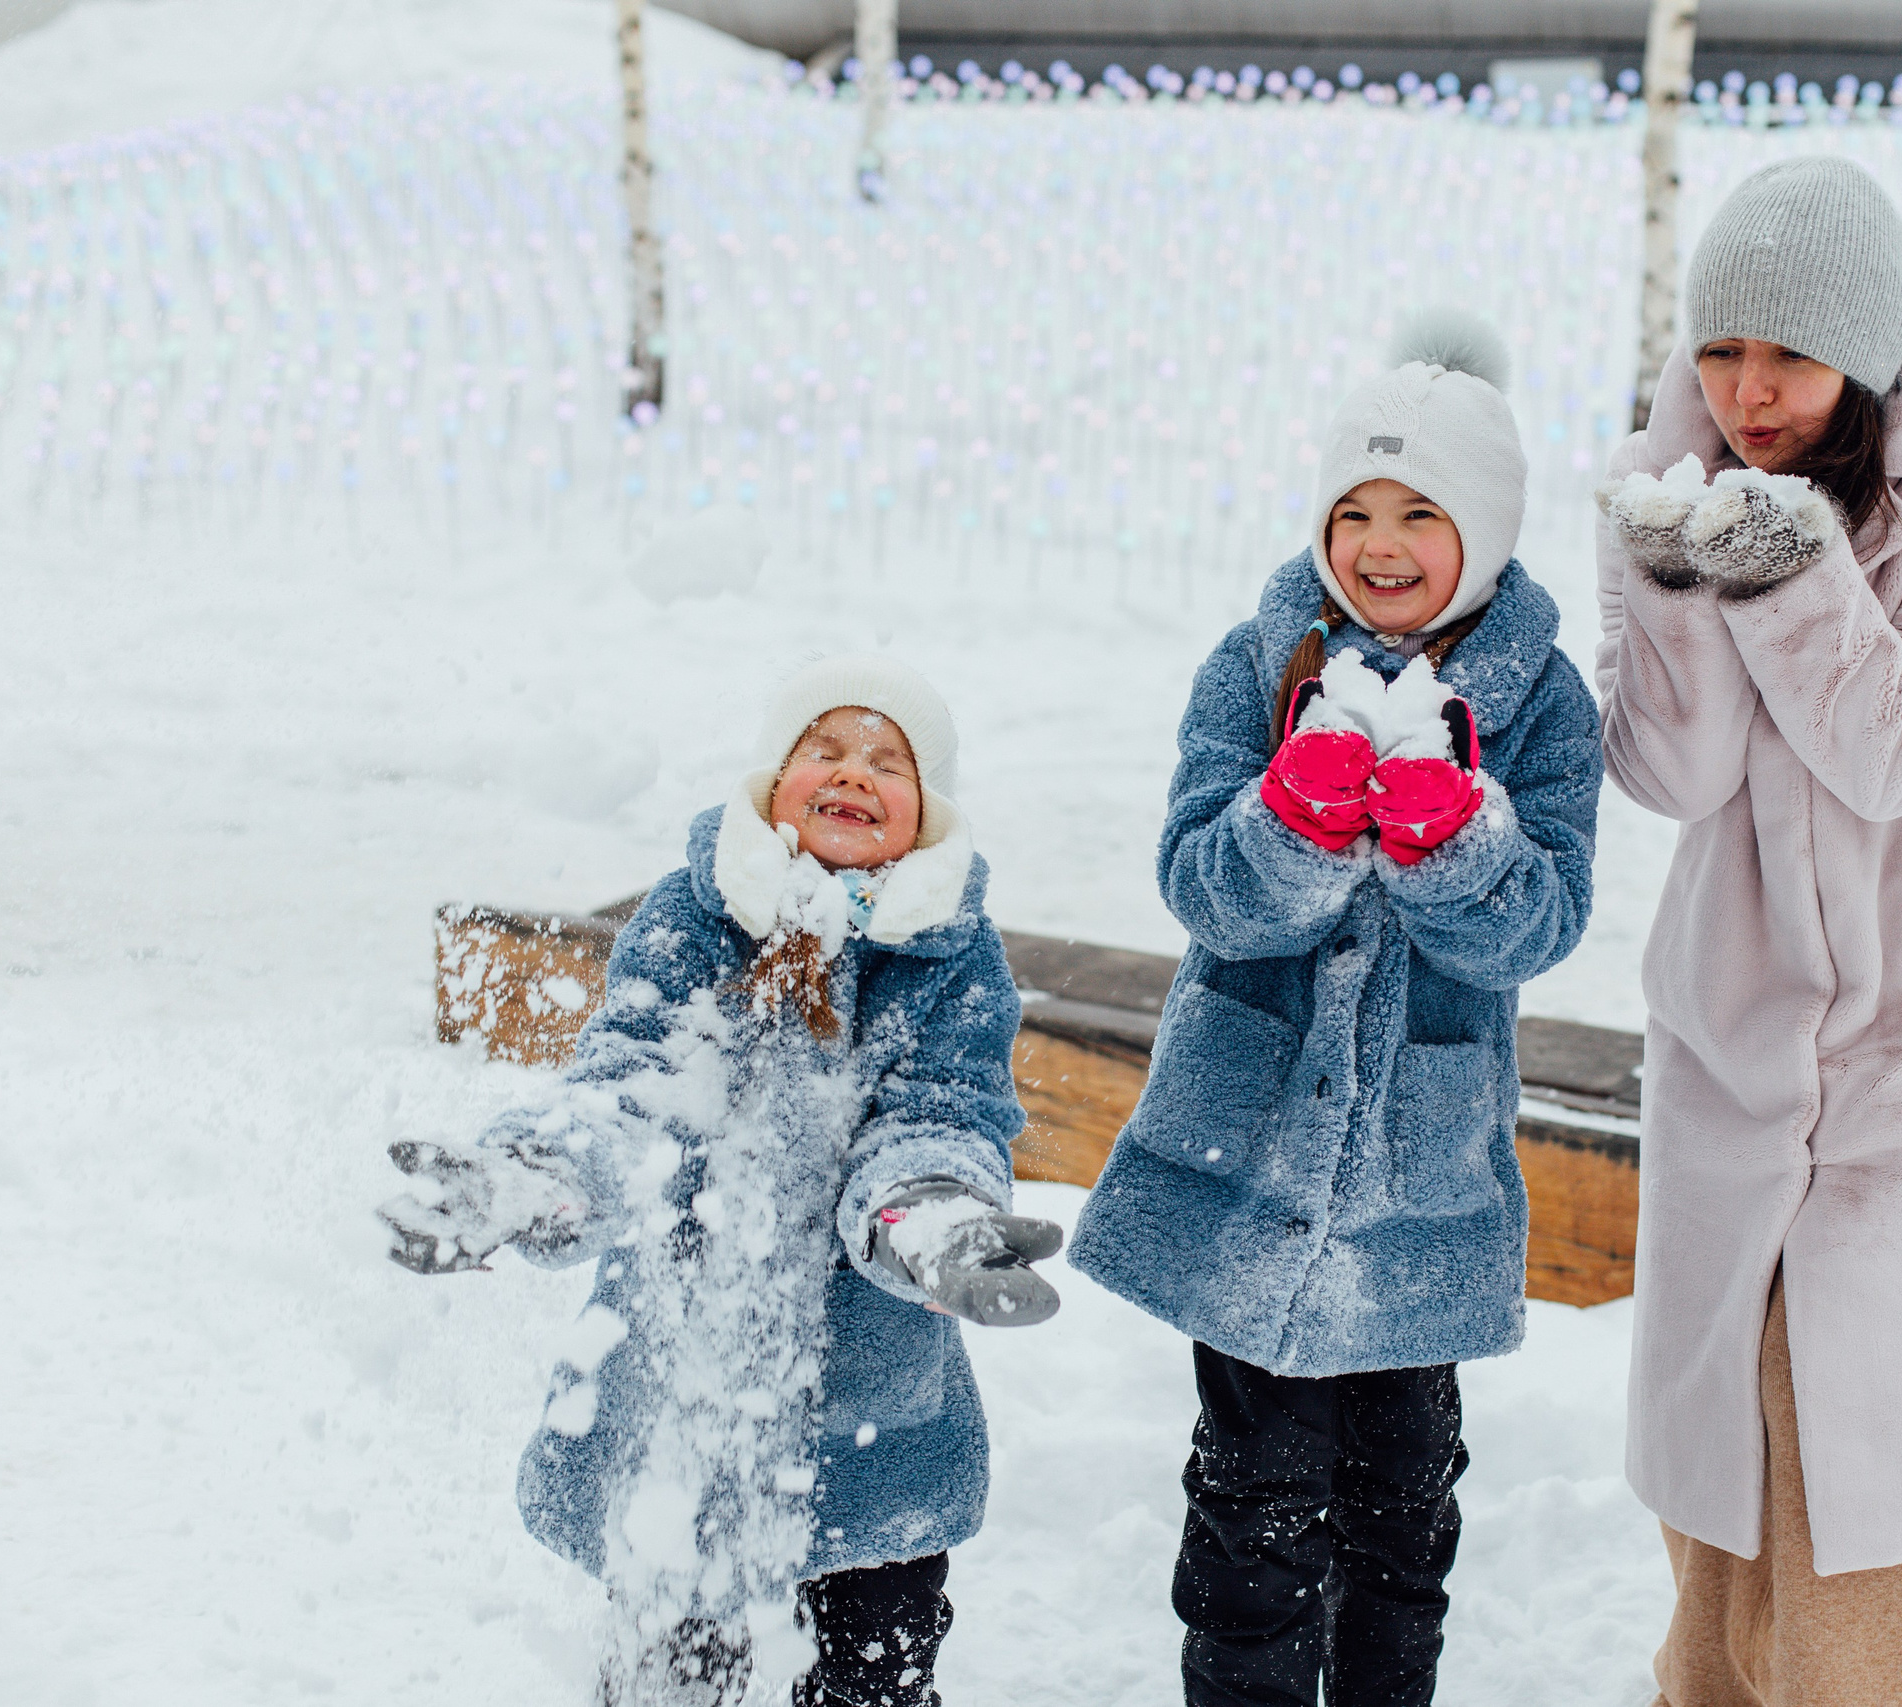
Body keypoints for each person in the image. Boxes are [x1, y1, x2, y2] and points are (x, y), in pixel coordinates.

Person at [1067, 310, 1601, 1707]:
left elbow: (1539, 923)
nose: (1379, 541)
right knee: (1252, 1513)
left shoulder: (1542, 705)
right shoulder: (1256, 668)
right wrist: (1291, 820)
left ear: (1481, 528)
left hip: (1419, 1187)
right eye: (1352, 507)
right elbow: (1204, 887)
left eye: (1420, 511)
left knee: (1401, 1515)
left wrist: (1454, 841)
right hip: (1251, 1158)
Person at [1594, 157, 1902, 1706]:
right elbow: (1675, 768)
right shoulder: (1668, 468)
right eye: (1720, 351)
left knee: (1863, 1441)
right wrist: (1678, 566)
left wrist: (1774, 560)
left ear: (1861, 352)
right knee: (1722, 1416)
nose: (1747, 393)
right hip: (1736, 1009)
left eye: (1786, 358)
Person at [376, 656, 1062, 1707]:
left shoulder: (947, 958)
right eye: (822, 750)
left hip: (864, 1398)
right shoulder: (698, 918)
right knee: (671, 1670)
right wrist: (532, 1174)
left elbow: (939, 1116)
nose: (852, 774)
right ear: (773, 782)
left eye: (889, 762)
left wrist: (931, 1223)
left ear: (926, 814)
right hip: (680, 1387)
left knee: (875, 1668)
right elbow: (631, 1093)